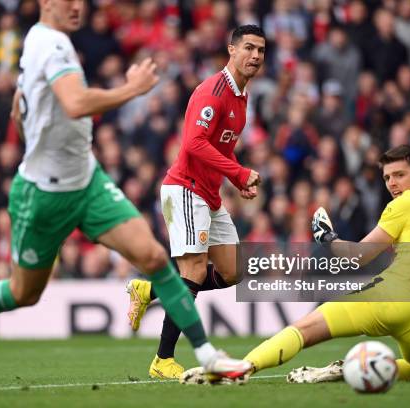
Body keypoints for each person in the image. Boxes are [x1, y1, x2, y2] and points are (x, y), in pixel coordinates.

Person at [0, 0, 251, 383]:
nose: (77, 7)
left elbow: (24, 113)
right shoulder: (48, 45)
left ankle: (205, 355)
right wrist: (131, 89)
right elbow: (74, 103)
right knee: (24, 292)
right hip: (45, 193)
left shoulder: (55, 43)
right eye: (68, 0)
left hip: (88, 181)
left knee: (154, 257)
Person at [235, 144, 410, 384]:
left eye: (399, 175)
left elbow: (358, 256)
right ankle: (351, 369)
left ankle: (240, 368)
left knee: (306, 328)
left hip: (393, 300)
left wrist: (328, 239)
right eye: (387, 177)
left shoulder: (404, 203)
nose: (393, 184)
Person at [126, 25, 265, 379]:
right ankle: (163, 360)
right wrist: (239, 171)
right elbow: (193, 143)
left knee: (233, 270)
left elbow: (221, 147)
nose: (255, 56)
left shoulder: (242, 95)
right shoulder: (213, 91)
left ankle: (151, 289)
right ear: (231, 50)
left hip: (209, 194)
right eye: (248, 48)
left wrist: (236, 180)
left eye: (261, 51)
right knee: (194, 272)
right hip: (185, 189)